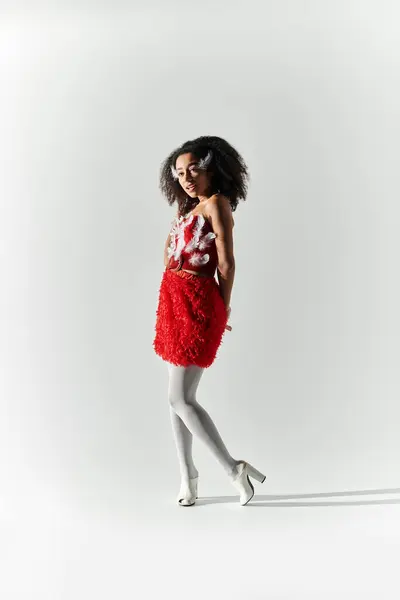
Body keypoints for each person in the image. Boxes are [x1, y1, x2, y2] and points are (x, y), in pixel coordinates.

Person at [153, 135, 266, 506]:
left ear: (211, 169)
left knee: (180, 398)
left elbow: (227, 263)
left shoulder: (217, 204)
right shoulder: (187, 208)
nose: (187, 178)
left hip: (198, 301)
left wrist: (224, 307)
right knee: (177, 400)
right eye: (181, 173)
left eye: (194, 170)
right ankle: (188, 477)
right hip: (173, 300)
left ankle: (235, 470)